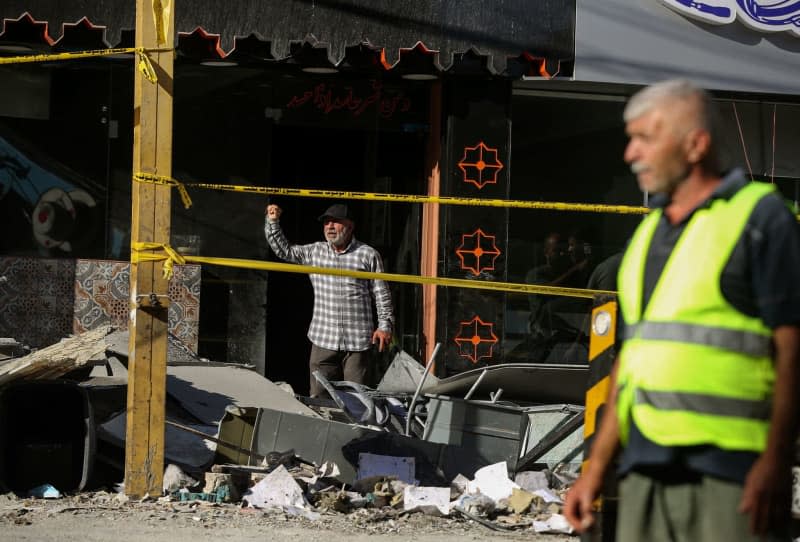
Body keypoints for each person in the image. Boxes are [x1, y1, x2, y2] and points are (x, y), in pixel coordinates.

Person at [564, 79, 800, 541]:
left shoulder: (760, 218)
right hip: (646, 469)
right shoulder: (648, 236)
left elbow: (793, 351)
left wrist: (776, 461)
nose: (631, 154)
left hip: (731, 472)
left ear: (696, 144)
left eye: (646, 138)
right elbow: (630, 366)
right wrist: (595, 470)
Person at [264, 202, 394, 397]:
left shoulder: (367, 254)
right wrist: (272, 222)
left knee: (358, 402)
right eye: (326, 223)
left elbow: (381, 293)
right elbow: (285, 251)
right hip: (323, 339)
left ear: (350, 226)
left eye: (335, 222)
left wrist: (385, 326)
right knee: (320, 400)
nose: (330, 227)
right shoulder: (315, 252)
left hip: (358, 342)